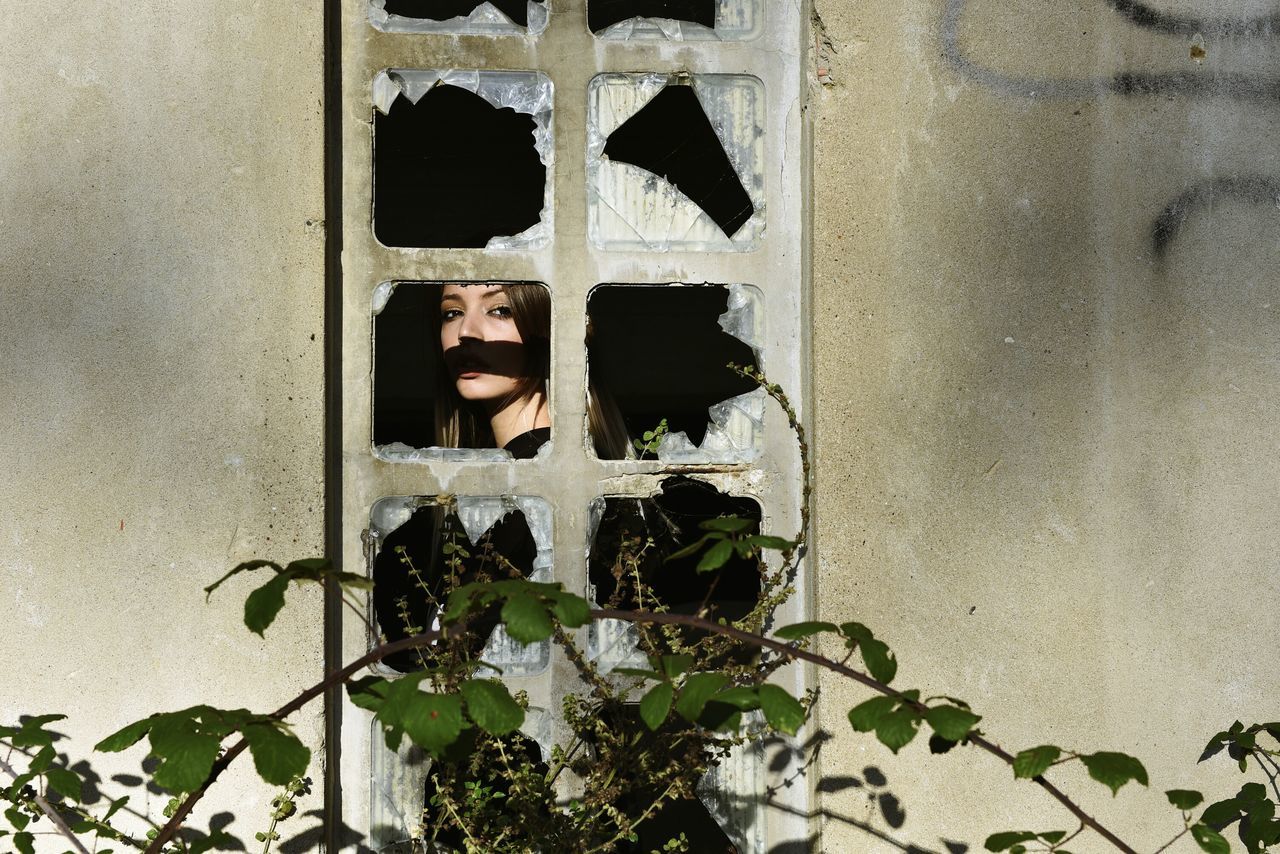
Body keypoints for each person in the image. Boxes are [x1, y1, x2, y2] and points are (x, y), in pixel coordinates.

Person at [432, 281, 630, 459]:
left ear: (548, 327)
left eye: (500, 310)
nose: (465, 332)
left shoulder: (539, 474)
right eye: (452, 313)